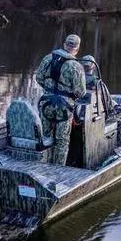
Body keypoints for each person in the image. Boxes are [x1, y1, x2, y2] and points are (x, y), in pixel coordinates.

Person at [35, 33, 87, 165]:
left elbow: (39, 78)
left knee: (45, 136)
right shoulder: (76, 66)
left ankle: (42, 164)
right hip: (64, 108)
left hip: (46, 103)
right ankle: (58, 169)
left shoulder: (48, 58)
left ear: (65, 44)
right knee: (62, 141)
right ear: (77, 48)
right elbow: (81, 92)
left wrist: (49, 89)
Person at [80, 54, 121, 146]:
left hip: (80, 117)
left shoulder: (75, 81)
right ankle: (120, 146)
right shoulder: (98, 84)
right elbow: (108, 104)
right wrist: (118, 107)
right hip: (96, 117)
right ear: (93, 67)